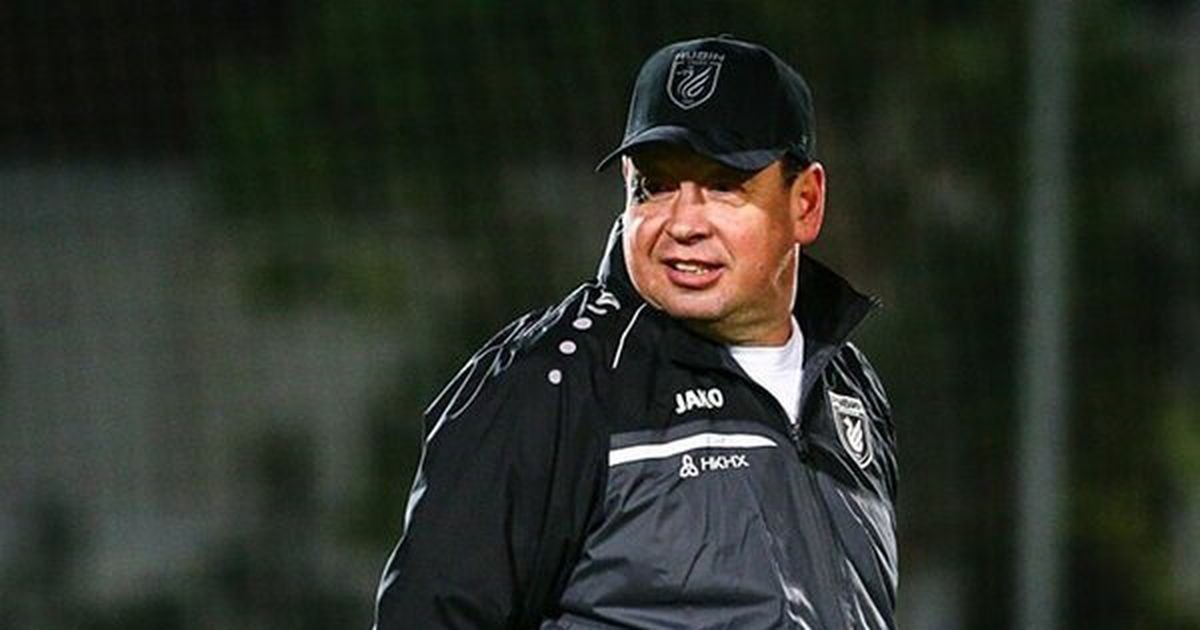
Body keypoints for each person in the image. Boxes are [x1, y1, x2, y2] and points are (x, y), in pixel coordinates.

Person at [373, 34, 897, 629]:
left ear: (806, 202)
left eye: (724, 186)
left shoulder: (848, 385)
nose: (683, 223)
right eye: (655, 186)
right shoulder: (553, 383)